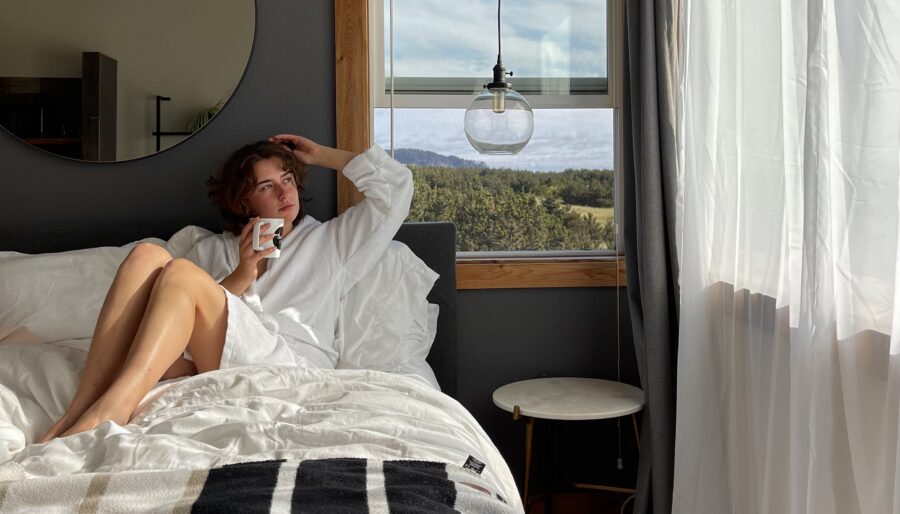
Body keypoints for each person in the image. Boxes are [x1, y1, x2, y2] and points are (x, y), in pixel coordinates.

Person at [39, 135, 413, 442]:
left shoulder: (332, 242)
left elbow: (396, 190)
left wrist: (323, 155)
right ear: (243, 201)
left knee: (179, 273)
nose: (285, 193)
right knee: (146, 256)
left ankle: (111, 410)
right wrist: (243, 273)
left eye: (287, 179)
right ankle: (76, 411)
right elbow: (172, 331)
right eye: (267, 186)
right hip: (206, 361)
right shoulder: (211, 249)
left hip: (289, 365)